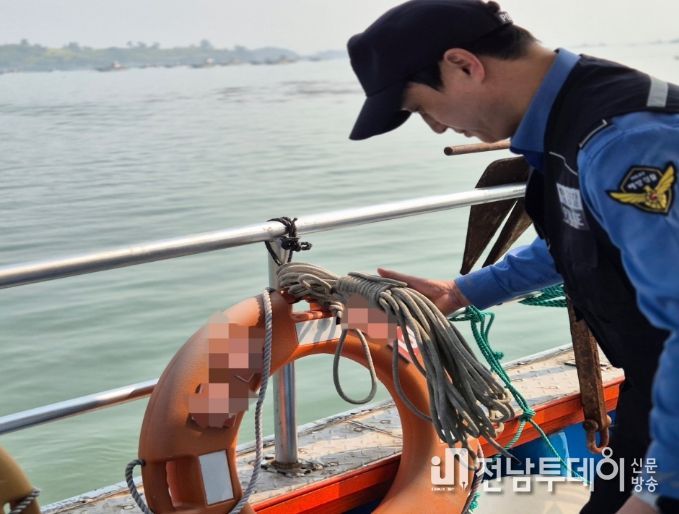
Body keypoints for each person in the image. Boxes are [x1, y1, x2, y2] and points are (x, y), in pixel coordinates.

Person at [346, 1, 679, 513]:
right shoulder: (574, 119)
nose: (436, 127)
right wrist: (461, 292)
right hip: (653, 391)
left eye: (422, 108)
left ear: (463, 65)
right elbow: (585, 233)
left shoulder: (626, 143)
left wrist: (657, 494)